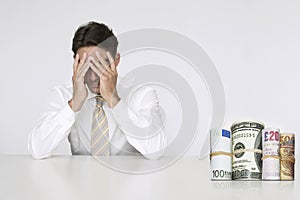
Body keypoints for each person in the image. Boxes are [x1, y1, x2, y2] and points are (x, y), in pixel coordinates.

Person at [28, 21, 166, 159]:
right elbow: (38, 149)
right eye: (86, 66)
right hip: (80, 178)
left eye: (100, 65)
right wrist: (74, 104)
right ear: (75, 62)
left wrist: (114, 99)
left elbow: (155, 151)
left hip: (128, 178)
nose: (93, 77)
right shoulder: (63, 94)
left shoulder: (141, 95)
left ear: (116, 60)